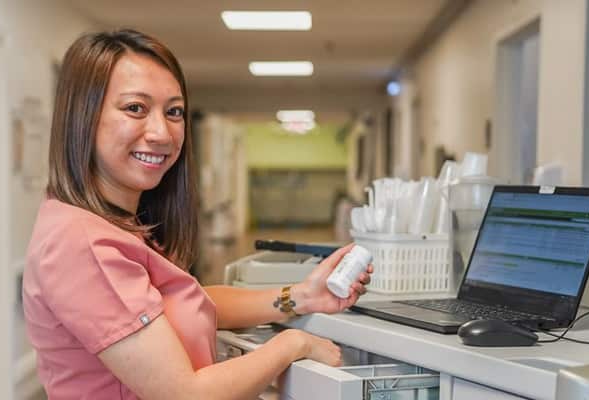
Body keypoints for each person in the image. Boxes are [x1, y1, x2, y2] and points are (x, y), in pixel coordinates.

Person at [21, 28, 375, 400]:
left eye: (174, 112)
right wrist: (293, 344)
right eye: (135, 108)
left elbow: (186, 304)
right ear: (83, 117)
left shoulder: (114, 224)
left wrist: (301, 297)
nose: (161, 132)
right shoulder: (84, 244)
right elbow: (185, 395)